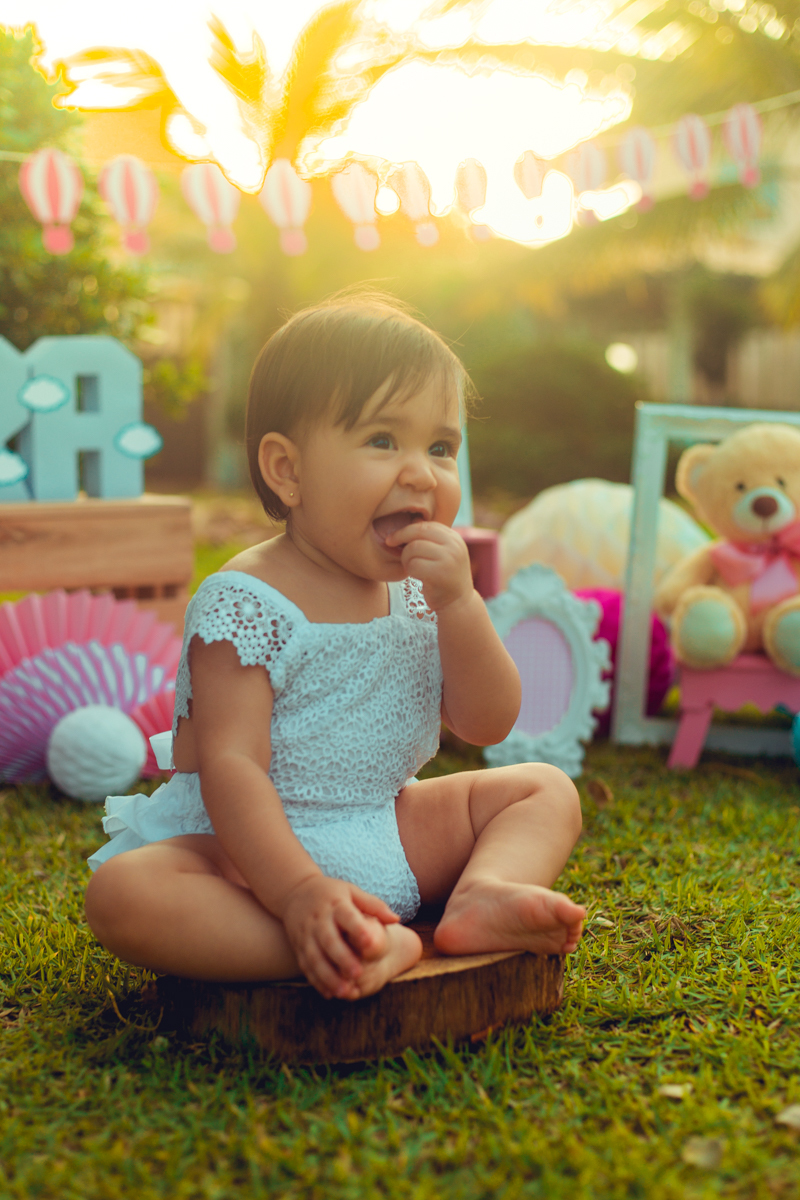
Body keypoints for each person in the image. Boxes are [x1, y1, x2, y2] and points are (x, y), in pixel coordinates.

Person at [85, 294, 585, 1001]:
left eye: (440, 448)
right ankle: (348, 941)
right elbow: (231, 766)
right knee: (124, 894)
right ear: (287, 471)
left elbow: (489, 723)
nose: (421, 473)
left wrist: (462, 606)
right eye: (383, 440)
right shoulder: (246, 602)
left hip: (386, 825)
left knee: (543, 788)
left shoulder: (422, 591)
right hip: (249, 860)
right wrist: (296, 892)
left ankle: (483, 894)